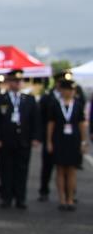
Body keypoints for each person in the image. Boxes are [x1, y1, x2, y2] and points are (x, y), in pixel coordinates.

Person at [0, 69, 39, 210]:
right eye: (14, 81)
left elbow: (35, 120)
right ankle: (7, 197)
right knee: (5, 169)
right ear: (9, 83)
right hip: (5, 140)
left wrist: (36, 137)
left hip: (23, 140)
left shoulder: (29, 100)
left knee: (21, 170)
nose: (16, 84)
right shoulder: (0, 99)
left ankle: (20, 198)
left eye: (19, 81)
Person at [43, 72, 87, 211]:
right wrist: (49, 141)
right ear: (62, 90)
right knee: (60, 169)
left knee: (72, 169)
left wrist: (83, 141)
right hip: (59, 139)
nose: (69, 92)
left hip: (73, 139)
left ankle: (70, 198)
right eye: (67, 89)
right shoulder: (55, 104)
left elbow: (81, 124)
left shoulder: (78, 104)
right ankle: (62, 198)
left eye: (72, 90)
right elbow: (51, 124)